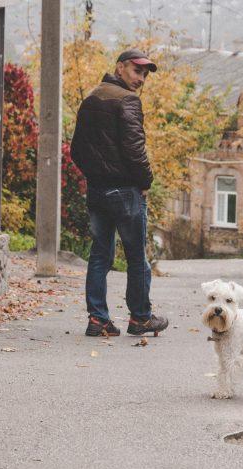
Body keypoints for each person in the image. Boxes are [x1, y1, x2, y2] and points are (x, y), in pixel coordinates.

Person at [70, 49, 169, 337]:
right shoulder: (127, 101)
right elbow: (135, 151)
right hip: (126, 191)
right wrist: (145, 182)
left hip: (98, 191)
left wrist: (95, 175)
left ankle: (98, 319)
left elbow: (76, 149)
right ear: (121, 67)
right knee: (137, 257)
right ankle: (140, 318)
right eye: (137, 71)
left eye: (145, 74)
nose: (141, 79)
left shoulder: (91, 97)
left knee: (100, 255)